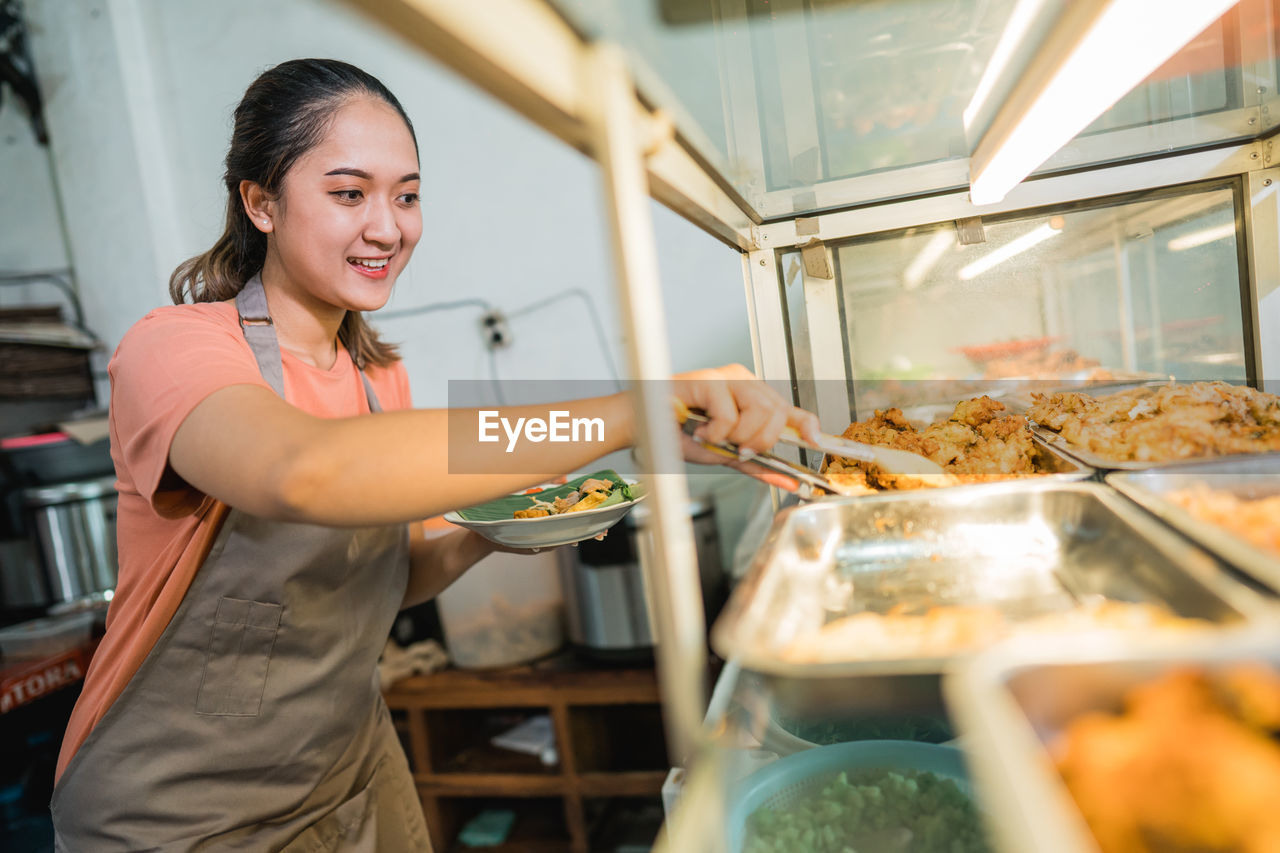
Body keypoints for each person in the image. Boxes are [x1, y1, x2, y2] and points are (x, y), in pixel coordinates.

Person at [49, 58, 817, 851]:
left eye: (407, 195)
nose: (388, 227)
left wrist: (502, 529)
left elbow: (394, 573)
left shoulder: (379, 373)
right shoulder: (172, 351)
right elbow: (305, 470)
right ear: (261, 201)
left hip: (345, 770)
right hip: (178, 817)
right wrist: (632, 411)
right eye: (349, 194)